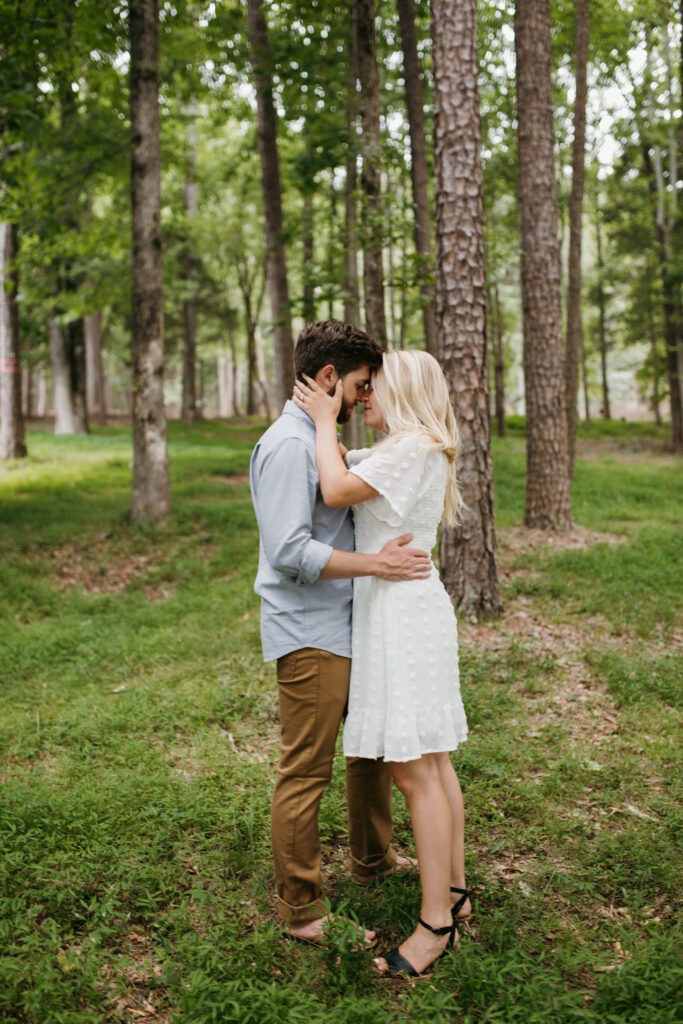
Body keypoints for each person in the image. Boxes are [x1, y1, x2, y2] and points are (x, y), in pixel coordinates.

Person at [249, 320, 432, 946]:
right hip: (310, 631)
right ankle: (302, 908)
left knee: (370, 751)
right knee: (306, 770)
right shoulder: (286, 447)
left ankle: (373, 860)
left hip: (351, 623)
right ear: (329, 378)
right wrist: (380, 565)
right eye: (358, 385)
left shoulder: (320, 441)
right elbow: (289, 553)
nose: (362, 398)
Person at [292, 348, 471, 978]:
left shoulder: (412, 447)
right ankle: (454, 891)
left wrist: (319, 422)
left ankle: (434, 927)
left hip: (400, 613)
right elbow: (342, 469)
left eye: (375, 390)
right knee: (432, 758)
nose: (365, 398)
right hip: (399, 607)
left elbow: (335, 488)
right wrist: (326, 426)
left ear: (404, 392)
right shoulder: (410, 445)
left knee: (411, 769)